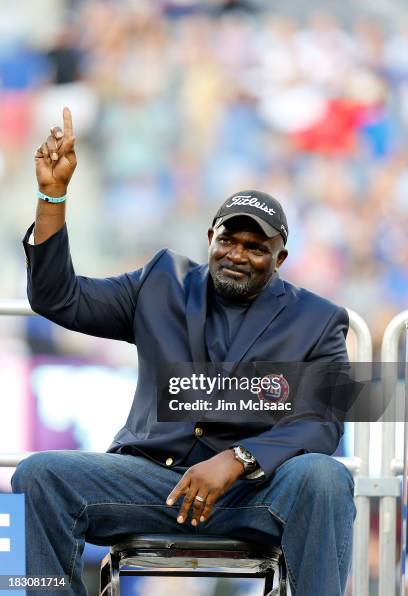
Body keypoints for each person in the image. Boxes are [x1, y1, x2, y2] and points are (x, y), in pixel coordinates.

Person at [12, 108, 356, 596]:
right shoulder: (160, 282)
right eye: (228, 239)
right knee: (36, 476)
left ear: (280, 259)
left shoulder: (318, 319)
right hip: (151, 485)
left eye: (255, 247)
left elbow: (322, 421)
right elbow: (58, 298)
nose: (237, 254)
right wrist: (53, 197)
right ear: (210, 237)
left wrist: (238, 458)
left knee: (325, 477)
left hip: (253, 494)